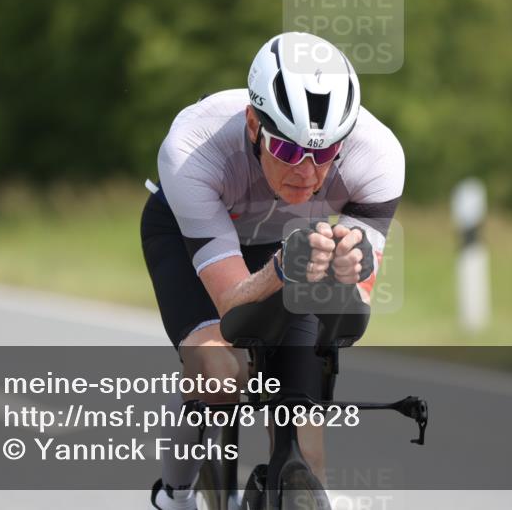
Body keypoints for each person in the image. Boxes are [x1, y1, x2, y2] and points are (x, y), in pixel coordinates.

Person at [141, 32, 404, 510]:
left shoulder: (378, 156)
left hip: (290, 247)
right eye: (287, 150)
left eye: (323, 154)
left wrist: (348, 277)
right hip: (190, 234)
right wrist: (281, 270)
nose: (306, 171)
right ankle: (174, 496)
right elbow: (232, 306)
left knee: (307, 441)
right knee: (220, 372)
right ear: (252, 124)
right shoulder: (193, 146)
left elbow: (347, 320)